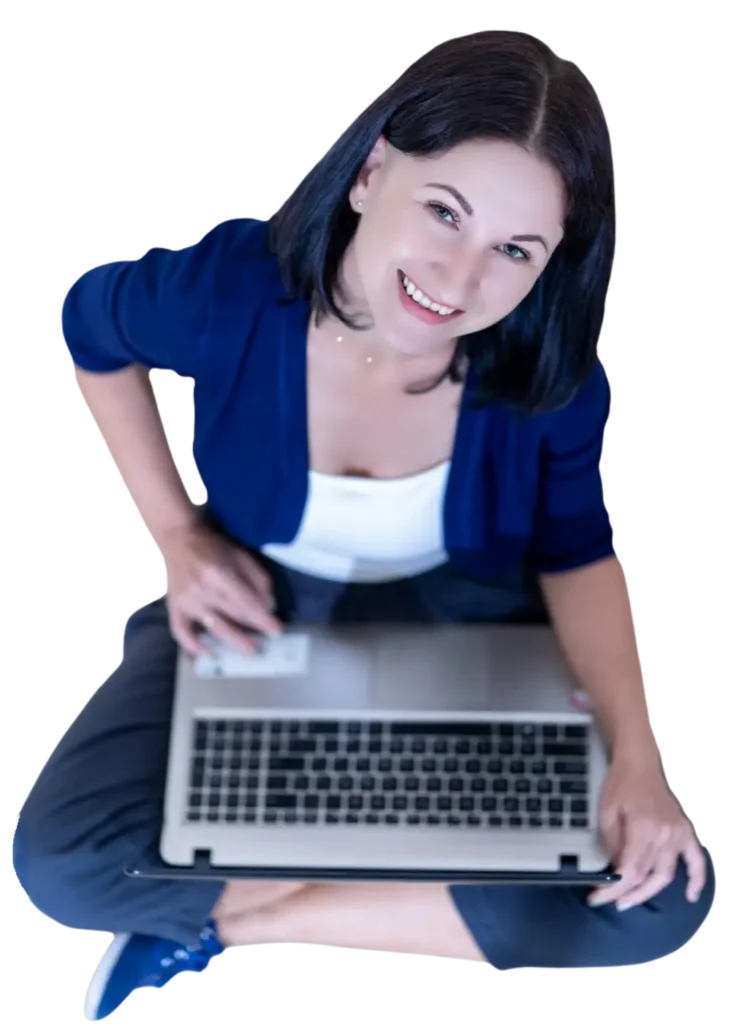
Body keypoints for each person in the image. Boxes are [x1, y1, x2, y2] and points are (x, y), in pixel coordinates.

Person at [18, 27, 713, 1021]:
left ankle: (228, 929)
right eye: (444, 211)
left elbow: (578, 553)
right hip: (255, 608)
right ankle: (407, 887)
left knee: (660, 895)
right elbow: (92, 327)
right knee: (63, 865)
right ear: (373, 171)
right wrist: (174, 534)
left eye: (514, 250)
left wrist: (639, 764)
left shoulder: (548, 377)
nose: (458, 281)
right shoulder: (229, 289)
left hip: (468, 632)